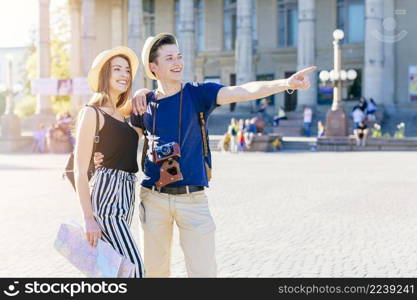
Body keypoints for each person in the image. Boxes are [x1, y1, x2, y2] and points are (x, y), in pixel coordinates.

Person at [95, 32, 315, 277]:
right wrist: (99, 153)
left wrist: (285, 83)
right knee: (155, 273)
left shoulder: (198, 93)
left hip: (193, 200)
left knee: (203, 272)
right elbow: (126, 142)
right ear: (153, 67)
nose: (178, 62)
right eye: (169, 58)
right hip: (153, 199)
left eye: (179, 56)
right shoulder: (143, 103)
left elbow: (241, 91)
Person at [73, 46, 145, 278]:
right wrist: (88, 218)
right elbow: (79, 169)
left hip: (126, 196)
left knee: (113, 272)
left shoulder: (124, 117)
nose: (124, 74)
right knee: (135, 270)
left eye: (127, 70)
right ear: (105, 74)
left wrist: (143, 91)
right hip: (107, 198)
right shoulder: (93, 113)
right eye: (117, 69)